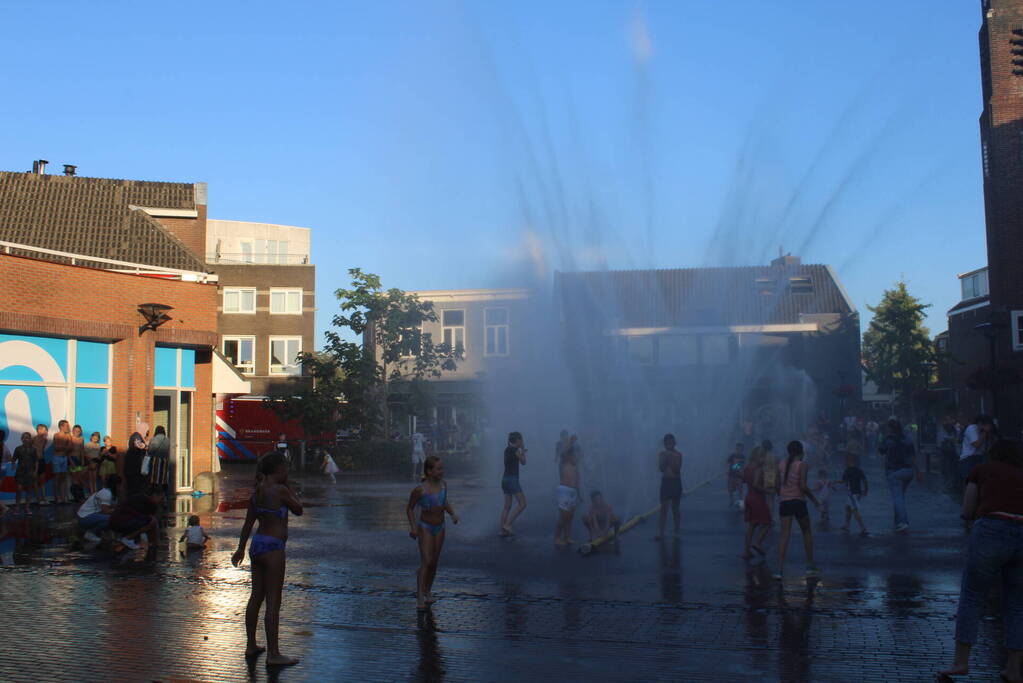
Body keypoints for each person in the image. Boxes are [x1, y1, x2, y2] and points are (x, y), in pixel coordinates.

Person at [937, 439, 1023, 682]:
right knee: (1017, 605)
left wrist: (972, 517)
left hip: (991, 529)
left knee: (973, 598)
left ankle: (960, 662)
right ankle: (1014, 668)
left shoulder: (981, 470)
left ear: (992, 454)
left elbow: (967, 508)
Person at [232, 452, 304, 667]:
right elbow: (299, 509)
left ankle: (251, 645)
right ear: (279, 469)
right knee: (273, 601)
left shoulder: (258, 492)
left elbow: (247, 524)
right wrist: (289, 486)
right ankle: (274, 654)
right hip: (274, 548)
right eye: (286, 468)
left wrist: (240, 550)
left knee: (256, 596)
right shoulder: (280, 490)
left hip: (257, 545)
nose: (287, 471)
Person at [406, 455, 459, 611]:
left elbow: (443, 502)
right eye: (438, 468)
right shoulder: (420, 490)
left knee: (434, 563)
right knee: (427, 561)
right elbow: (409, 508)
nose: (442, 471)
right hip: (425, 527)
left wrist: (452, 514)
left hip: (440, 527)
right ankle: (420, 596)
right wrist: (413, 527)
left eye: (442, 468)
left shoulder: (444, 485)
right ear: (429, 471)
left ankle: (428, 591)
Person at [774, 440, 820, 580]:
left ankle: (779, 570)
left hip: (785, 503)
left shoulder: (781, 463)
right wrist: (814, 500)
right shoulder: (802, 465)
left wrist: (781, 495)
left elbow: (776, 483)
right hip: (798, 502)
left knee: (784, 535)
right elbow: (803, 486)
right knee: (806, 532)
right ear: (801, 452)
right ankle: (809, 566)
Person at [878, 418, 917, 533]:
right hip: (908, 471)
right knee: (900, 497)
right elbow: (913, 456)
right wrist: (918, 471)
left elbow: (881, 450)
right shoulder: (907, 439)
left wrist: (883, 437)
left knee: (898, 498)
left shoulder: (888, 439)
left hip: (894, 472)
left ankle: (903, 522)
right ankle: (898, 521)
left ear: (890, 428)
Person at [109, 484, 164, 551]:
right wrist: (156, 544)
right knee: (152, 521)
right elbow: (152, 523)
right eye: (161, 498)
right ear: (155, 495)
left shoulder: (140, 497)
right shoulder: (149, 502)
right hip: (122, 522)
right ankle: (127, 538)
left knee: (146, 521)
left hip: (113, 521)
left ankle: (126, 539)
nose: (161, 501)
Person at [742, 446, 771, 559]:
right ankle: (758, 542)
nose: (764, 459)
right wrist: (766, 490)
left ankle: (746, 551)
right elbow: (756, 485)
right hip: (757, 499)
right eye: (763, 457)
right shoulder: (758, 469)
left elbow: (745, 480)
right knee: (767, 522)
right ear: (758, 457)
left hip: (748, 497)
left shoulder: (748, 467)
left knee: (752, 526)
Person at [499, 431, 527, 537]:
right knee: (523, 504)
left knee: (507, 506)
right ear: (518, 440)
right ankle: (507, 524)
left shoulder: (507, 449)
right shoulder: (516, 450)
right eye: (522, 439)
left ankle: (502, 530)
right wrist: (523, 450)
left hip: (505, 479)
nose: (523, 441)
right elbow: (524, 462)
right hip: (512, 480)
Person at [77, 474, 120, 543]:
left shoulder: (113, 494)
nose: (120, 487)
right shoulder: (106, 493)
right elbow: (105, 511)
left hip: (92, 516)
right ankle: (90, 533)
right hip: (84, 518)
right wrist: (118, 509)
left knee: (113, 517)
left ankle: (100, 533)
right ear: (116, 485)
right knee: (109, 518)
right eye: (119, 485)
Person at [555, 438, 581, 547]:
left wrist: (579, 495)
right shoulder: (566, 462)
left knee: (570, 516)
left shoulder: (576, 467)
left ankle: (567, 537)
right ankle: (557, 538)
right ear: (569, 456)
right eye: (575, 455)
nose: (577, 457)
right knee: (564, 516)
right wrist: (571, 441)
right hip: (564, 491)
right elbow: (563, 452)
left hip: (573, 492)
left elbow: (578, 482)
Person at [657, 433, 683, 539]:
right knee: (663, 509)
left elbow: (677, 469)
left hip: (675, 482)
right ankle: (661, 533)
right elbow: (661, 468)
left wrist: (670, 458)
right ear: (664, 444)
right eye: (666, 443)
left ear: (674, 443)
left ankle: (677, 530)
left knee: (675, 508)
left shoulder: (678, 454)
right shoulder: (661, 454)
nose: (668, 444)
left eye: (670, 442)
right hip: (666, 482)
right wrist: (665, 458)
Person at [959, 415, 994, 483]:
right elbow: (976, 444)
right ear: (980, 423)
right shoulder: (971, 428)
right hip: (969, 459)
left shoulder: (985, 431)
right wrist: (984, 432)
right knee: (971, 482)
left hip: (979, 457)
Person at [840, 454, 869, 536]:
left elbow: (844, 481)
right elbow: (865, 481)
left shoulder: (847, 470)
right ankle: (847, 525)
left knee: (854, 510)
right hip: (857, 493)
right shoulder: (859, 470)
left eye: (846, 461)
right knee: (847, 507)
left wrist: (835, 482)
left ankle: (863, 528)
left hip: (851, 494)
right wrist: (866, 490)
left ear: (850, 461)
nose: (845, 462)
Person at [13, 432, 41, 514]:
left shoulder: (33, 449)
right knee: (19, 489)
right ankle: (17, 506)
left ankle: (27, 507)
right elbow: (14, 459)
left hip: (30, 472)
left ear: (30, 439)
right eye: (24, 437)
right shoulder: (18, 449)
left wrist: (35, 471)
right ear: (21, 439)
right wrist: (12, 463)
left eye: (28, 437)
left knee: (29, 490)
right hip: (20, 472)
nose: (26, 439)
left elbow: (36, 461)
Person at [51, 420, 72, 504]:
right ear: (61, 426)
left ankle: (64, 497)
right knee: (57, 477)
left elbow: (71, 447)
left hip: (64, 458)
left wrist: (63, 447)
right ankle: (57, 497)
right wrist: (65, 447)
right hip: (57, 457)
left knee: (63, 477)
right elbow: (56, 447)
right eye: (67, 426)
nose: (68, 427)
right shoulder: (57, 435)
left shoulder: (68, 436)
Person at [124, 423, 148, 496]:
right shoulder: (136, 436)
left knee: (134, 489)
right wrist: (147, 446)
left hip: (133, 468)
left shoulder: (136, 436)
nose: (147, 433)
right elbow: (139, 445)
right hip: (134, 468)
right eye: (147, 431)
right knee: (134, 489)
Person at [147, 425, 170, 497]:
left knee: (154, 480)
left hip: (155, 462)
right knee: (164, 480)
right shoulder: (167, 440)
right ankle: (164, 497)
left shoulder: (154, 439)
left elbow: (150, 450)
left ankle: (153, 496)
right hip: (165, 462)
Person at [69, 424, 87, 503]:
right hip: (72, 458)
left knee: (80, 478)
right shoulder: (70, 438)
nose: (77, 432)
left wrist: (82, 460)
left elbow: (82, 450)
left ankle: (80, 495)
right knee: (74, 479)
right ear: (73, 431)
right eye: (76, 431)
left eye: (79, 431)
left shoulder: (81, 439)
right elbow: (68, 451)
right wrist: (71, 461)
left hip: (79, 459)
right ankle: (76, 497)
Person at [31, 424, 49, 506]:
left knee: (42, 480)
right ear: (39, 430)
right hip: (34, 461)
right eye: (45, 430)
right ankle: (38, 499)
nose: (46, 432)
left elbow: (41, 450)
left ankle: (44, 498)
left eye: (46, 430)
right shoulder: (33, 439)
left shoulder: (45, 440)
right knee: (35, 480)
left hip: (41, 460)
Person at [761, 439, 780, 512]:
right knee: (771, 500)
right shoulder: (775, 456)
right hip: (772, 477)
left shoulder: (763, 457)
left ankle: (767, 518)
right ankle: (771, 518)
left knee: (766, 499)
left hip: (765, 477)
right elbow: (777, 470)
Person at [727, 443, 746, 508]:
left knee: (740, 489)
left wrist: (736, 464)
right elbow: (728, 464)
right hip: (732, 475)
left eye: (741, 448)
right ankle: (731, 501)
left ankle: (741, 503)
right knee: (730, 489)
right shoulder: (732, 456)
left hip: (739, 475)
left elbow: (743, 465)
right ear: (736, 448)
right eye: (739, 448)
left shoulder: (743, 456)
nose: (740, 450)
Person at [84, 431, 102, 496]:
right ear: (91, 437)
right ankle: (91, 492)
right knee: (90, 478)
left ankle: (95, 492)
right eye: (94, 437)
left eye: (97, 437)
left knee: (94, 478)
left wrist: (98, 460)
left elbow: (99, 454)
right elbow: (85, 454)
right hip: (90, 462)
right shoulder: (87, 444)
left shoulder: (98, 445)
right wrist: (90, 460)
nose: (95, 438)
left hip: (96, 462)